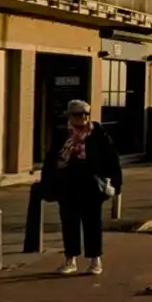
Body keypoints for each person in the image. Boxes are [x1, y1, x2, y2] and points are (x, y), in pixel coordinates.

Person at [41, 100, 122, 276]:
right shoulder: (62, 135)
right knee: (69, 223)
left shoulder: (98, 133)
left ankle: (95, 260)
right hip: (68, 185)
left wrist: (115, 183)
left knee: (93, 223)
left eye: (86, 114)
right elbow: (51, 160)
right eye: (79, 114)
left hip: (91, 185)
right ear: (70, 116)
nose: (83, 118)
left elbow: (111, 159)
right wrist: (48, 184)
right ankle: (71, 259)